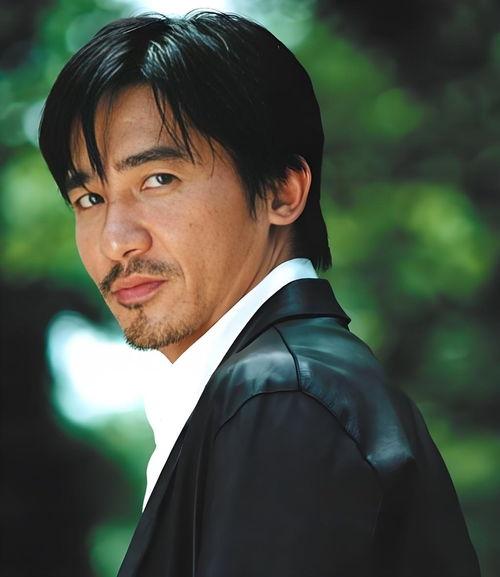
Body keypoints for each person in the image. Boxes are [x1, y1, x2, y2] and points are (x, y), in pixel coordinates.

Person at [38, 10, 481, 577]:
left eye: (158, 180)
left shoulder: (282, 396)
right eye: (90, 199)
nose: (116, 241)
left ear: (281, 191)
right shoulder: (278, 391)